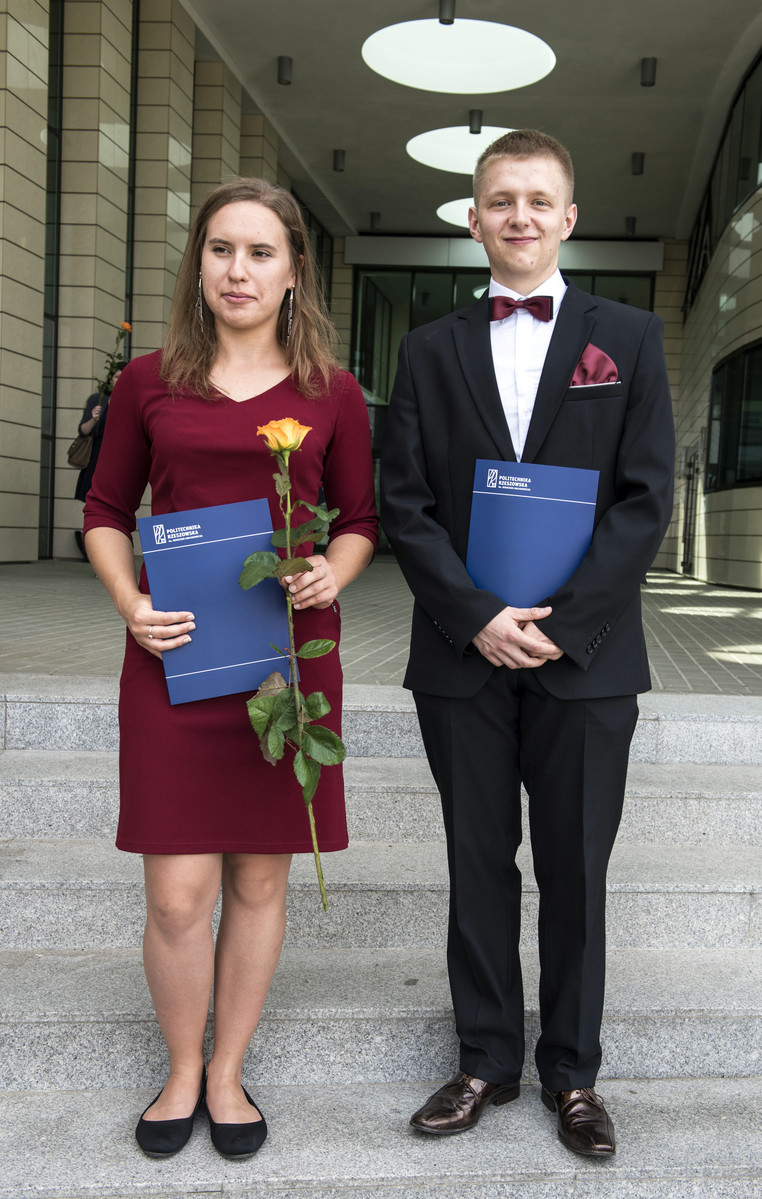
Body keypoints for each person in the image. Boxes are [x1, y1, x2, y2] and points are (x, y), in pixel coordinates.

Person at [380, 130, 674, 1157]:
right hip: (462, 651)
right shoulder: (427, 348)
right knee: (477, 861)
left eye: (539, 200)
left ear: (568, 218)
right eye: (501, 200)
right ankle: (484, 1058)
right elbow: (405, 502)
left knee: (576, 869)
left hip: (585, 655)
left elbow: (646, 500)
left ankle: (574, 1074)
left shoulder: (628, 338)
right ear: (474, 219)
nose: (520, 216)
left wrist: (562, 622)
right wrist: (476, 616)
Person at [83, 178, 377, 1159]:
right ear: (198, 263)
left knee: (257, 882)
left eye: (259, 252)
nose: (237, 270)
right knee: (176, 896)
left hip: (285, 668)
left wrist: (333, 572)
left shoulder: (333, 392)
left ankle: (225, 1070)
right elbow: (105, 510)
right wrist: (130, 604)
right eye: (220, 250)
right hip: (172, 657)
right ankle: (180, 1067)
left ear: (294, 270)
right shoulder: (148, 382)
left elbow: (362, 519)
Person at [73, 367, 123, 558]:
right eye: (117, 376)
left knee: (114, 505)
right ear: (110, 379)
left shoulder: (129, 400)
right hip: (96, 458)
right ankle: (96, 550)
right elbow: (83, 431)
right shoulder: (98, 400)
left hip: (118, 460)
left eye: (123, 377)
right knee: (94, 504)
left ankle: (108, 551)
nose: (120, 380)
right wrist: (94, 418)